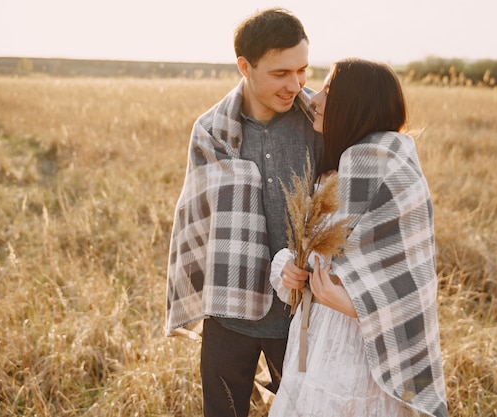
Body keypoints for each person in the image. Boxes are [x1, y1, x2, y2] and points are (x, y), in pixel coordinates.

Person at [165, 8, 323, 417]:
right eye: (280, 73)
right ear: (245, 67)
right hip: (229, 313)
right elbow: (196, 222)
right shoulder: (211, 131)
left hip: (301, 316)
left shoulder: (319, 125)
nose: (296, 84)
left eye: (302, 69)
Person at [269, 58, 448, 416]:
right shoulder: (338, 170)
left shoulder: (388, 171)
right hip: (316, 344)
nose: (314, 99)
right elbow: (317, 255)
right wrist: (288, 267)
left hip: (361, 358)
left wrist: (350, 304)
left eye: (329, 91)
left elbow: (413, 284)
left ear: (357, 105)